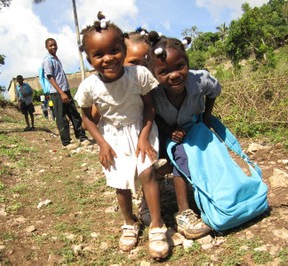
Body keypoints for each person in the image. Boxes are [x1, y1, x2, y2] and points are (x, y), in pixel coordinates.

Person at [74, 12, 169, 259]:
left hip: (140, 129)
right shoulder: (89, 86)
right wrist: (102, 144)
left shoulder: (139, 75)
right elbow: (86, 118)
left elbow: (149, 108)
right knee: (120, 182)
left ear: (123, 50)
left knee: (147, 172)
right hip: (112, 136)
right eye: (99, 54)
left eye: (114, 51)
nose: (108, 59)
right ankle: (130, 222)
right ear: (88, 58)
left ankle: (157, 225)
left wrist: (143, 137)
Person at [145, 31, 221, 240]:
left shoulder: (199, 81)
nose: (174, 75)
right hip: (163, 132)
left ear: (187, 62)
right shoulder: (153, 91)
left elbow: (214, 92)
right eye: (164, 71)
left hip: (192, 126)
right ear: (154, 74)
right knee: (180, 157)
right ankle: (183, 213)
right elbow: (151, 114)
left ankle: (216, 195)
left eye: (180, 66)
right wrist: (170, 132)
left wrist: (206, 119)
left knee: (205, 154)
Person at [41, 38, 90, 150]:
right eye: (50, 45)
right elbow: (50, 77)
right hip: (57, 93)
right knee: (61, 117)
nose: (53, 47)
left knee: (74, 114)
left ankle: (82, 137)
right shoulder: (48, 60)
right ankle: (66, 142)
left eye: (54, 45)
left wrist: (65, 92)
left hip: (65, 91)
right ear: (46, 47)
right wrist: (61, 92)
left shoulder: (56, 58)